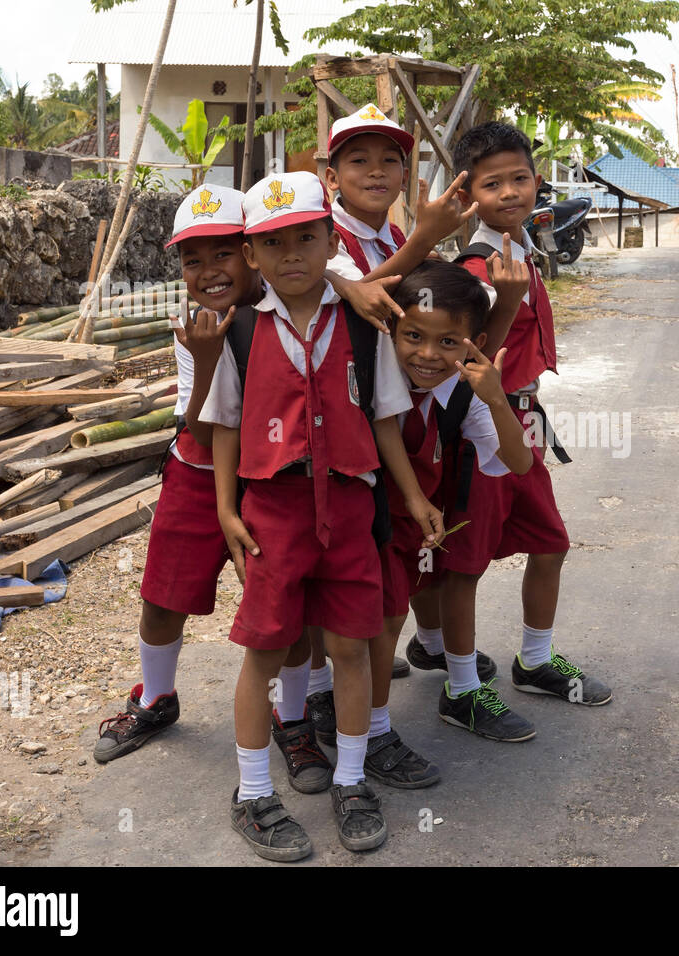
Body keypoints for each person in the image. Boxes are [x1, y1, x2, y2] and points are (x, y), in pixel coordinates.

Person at [199, 171, 442, 861]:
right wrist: (225, 508)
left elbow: (388, 423)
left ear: (331, 241)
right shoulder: (241, 332)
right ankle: (252, 793)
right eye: (273, 244)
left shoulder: (364, 329)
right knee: (266, 649)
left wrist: (415, 498)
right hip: (273, 511)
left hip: (351, 505)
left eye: (307, 238)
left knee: (352, 648)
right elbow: (224, 425)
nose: (292, 255)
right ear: (252, 253)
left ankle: (352, 779)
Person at [94, 184, 323, 783]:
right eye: (191, 260)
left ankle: (292, 718)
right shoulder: (190, 323)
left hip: (275, 480)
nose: (208, 272)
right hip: (197, 472)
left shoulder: (289, 302)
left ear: (250, 252)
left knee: (284, 607)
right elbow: (198, 421)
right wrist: (205, 357)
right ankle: (157, 698)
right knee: (163, 596)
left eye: (221, 253)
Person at [318, 104, 528, 754]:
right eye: (359, 159)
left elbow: (439, 334)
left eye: (389, 160)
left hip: (411, 433)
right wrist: (410, 247)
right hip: (345, 441)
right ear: (330, 174)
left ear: (407, 173)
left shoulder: (396, 241)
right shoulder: (326, 241)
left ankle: (368, 697)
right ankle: (329, 720)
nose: (376, 171)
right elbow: (327, 299)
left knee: (403, 574)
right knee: (356, 593)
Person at [440, 121, 612, 742]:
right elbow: (462, 359)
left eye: (520, 177)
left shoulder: (522, 250)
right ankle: (461, 690)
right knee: (465, 565)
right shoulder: (477, 268)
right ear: (469, 195)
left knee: (550, 541)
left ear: (538, 181)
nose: (511, 191)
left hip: (525, 419)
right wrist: (505, 304)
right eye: (493, 183)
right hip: (481, 429)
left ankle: (533, 661)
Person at [369, 259, 534, 785]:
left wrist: (496, 400)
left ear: (473, 343)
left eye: (448, 343)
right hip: (365, 521)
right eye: (413, 335)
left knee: (389, 619)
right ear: (391, 329)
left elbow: (521, 463)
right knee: (377, 625)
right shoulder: (370, 376)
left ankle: (371, 726)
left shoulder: (464, 394)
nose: (426, 354)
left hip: (413, 525)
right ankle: (364, 732)